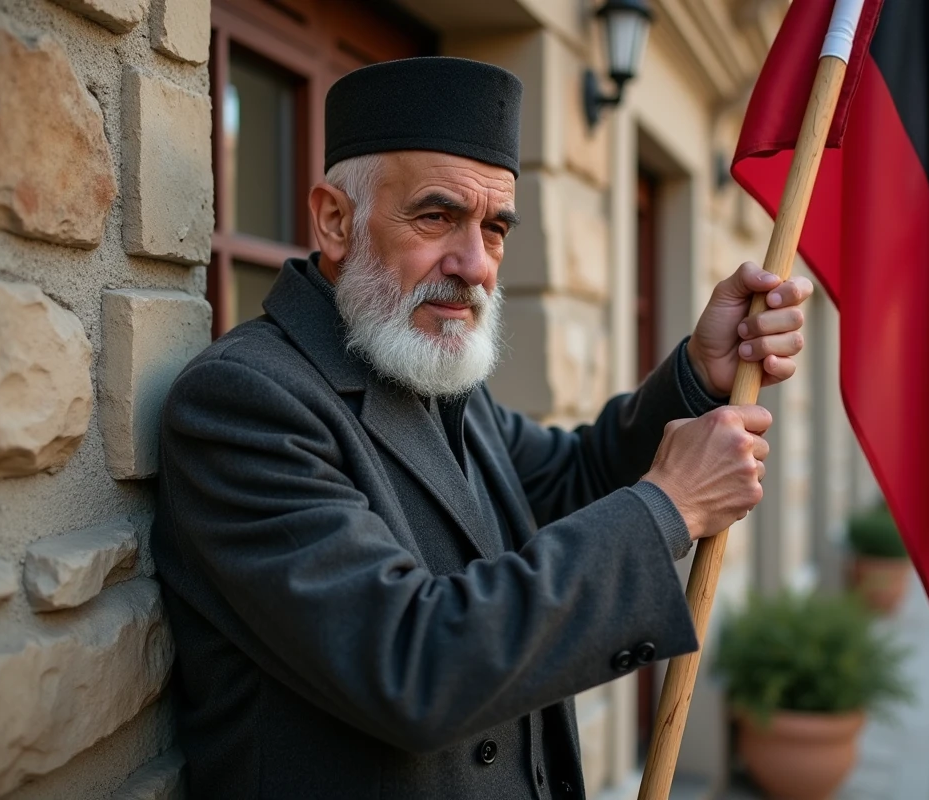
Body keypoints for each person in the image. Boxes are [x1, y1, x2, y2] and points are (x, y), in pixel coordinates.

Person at [151, 57, 812, 799]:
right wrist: (671, 507)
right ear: (335, 219)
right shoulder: (243, 402)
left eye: (494, 228)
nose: (474, 265)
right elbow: (410, 665)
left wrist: (696, 371)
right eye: (436, 216)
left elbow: (574, 479)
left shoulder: (425, 372)